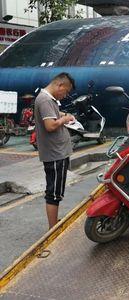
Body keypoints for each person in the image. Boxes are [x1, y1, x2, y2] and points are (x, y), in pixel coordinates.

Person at [34, 73, 75, 229]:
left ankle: (54, 224)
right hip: (55, 154)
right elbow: (50, 125)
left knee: (56, 191)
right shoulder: (45, 100)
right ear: (60, 85)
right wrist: (64, 120)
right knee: (54, 193)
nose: (65, 95)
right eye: (65, 92)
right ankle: (53, 228)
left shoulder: (48, 99)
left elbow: (51, 115)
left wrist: (64, 115)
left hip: (57, 152)